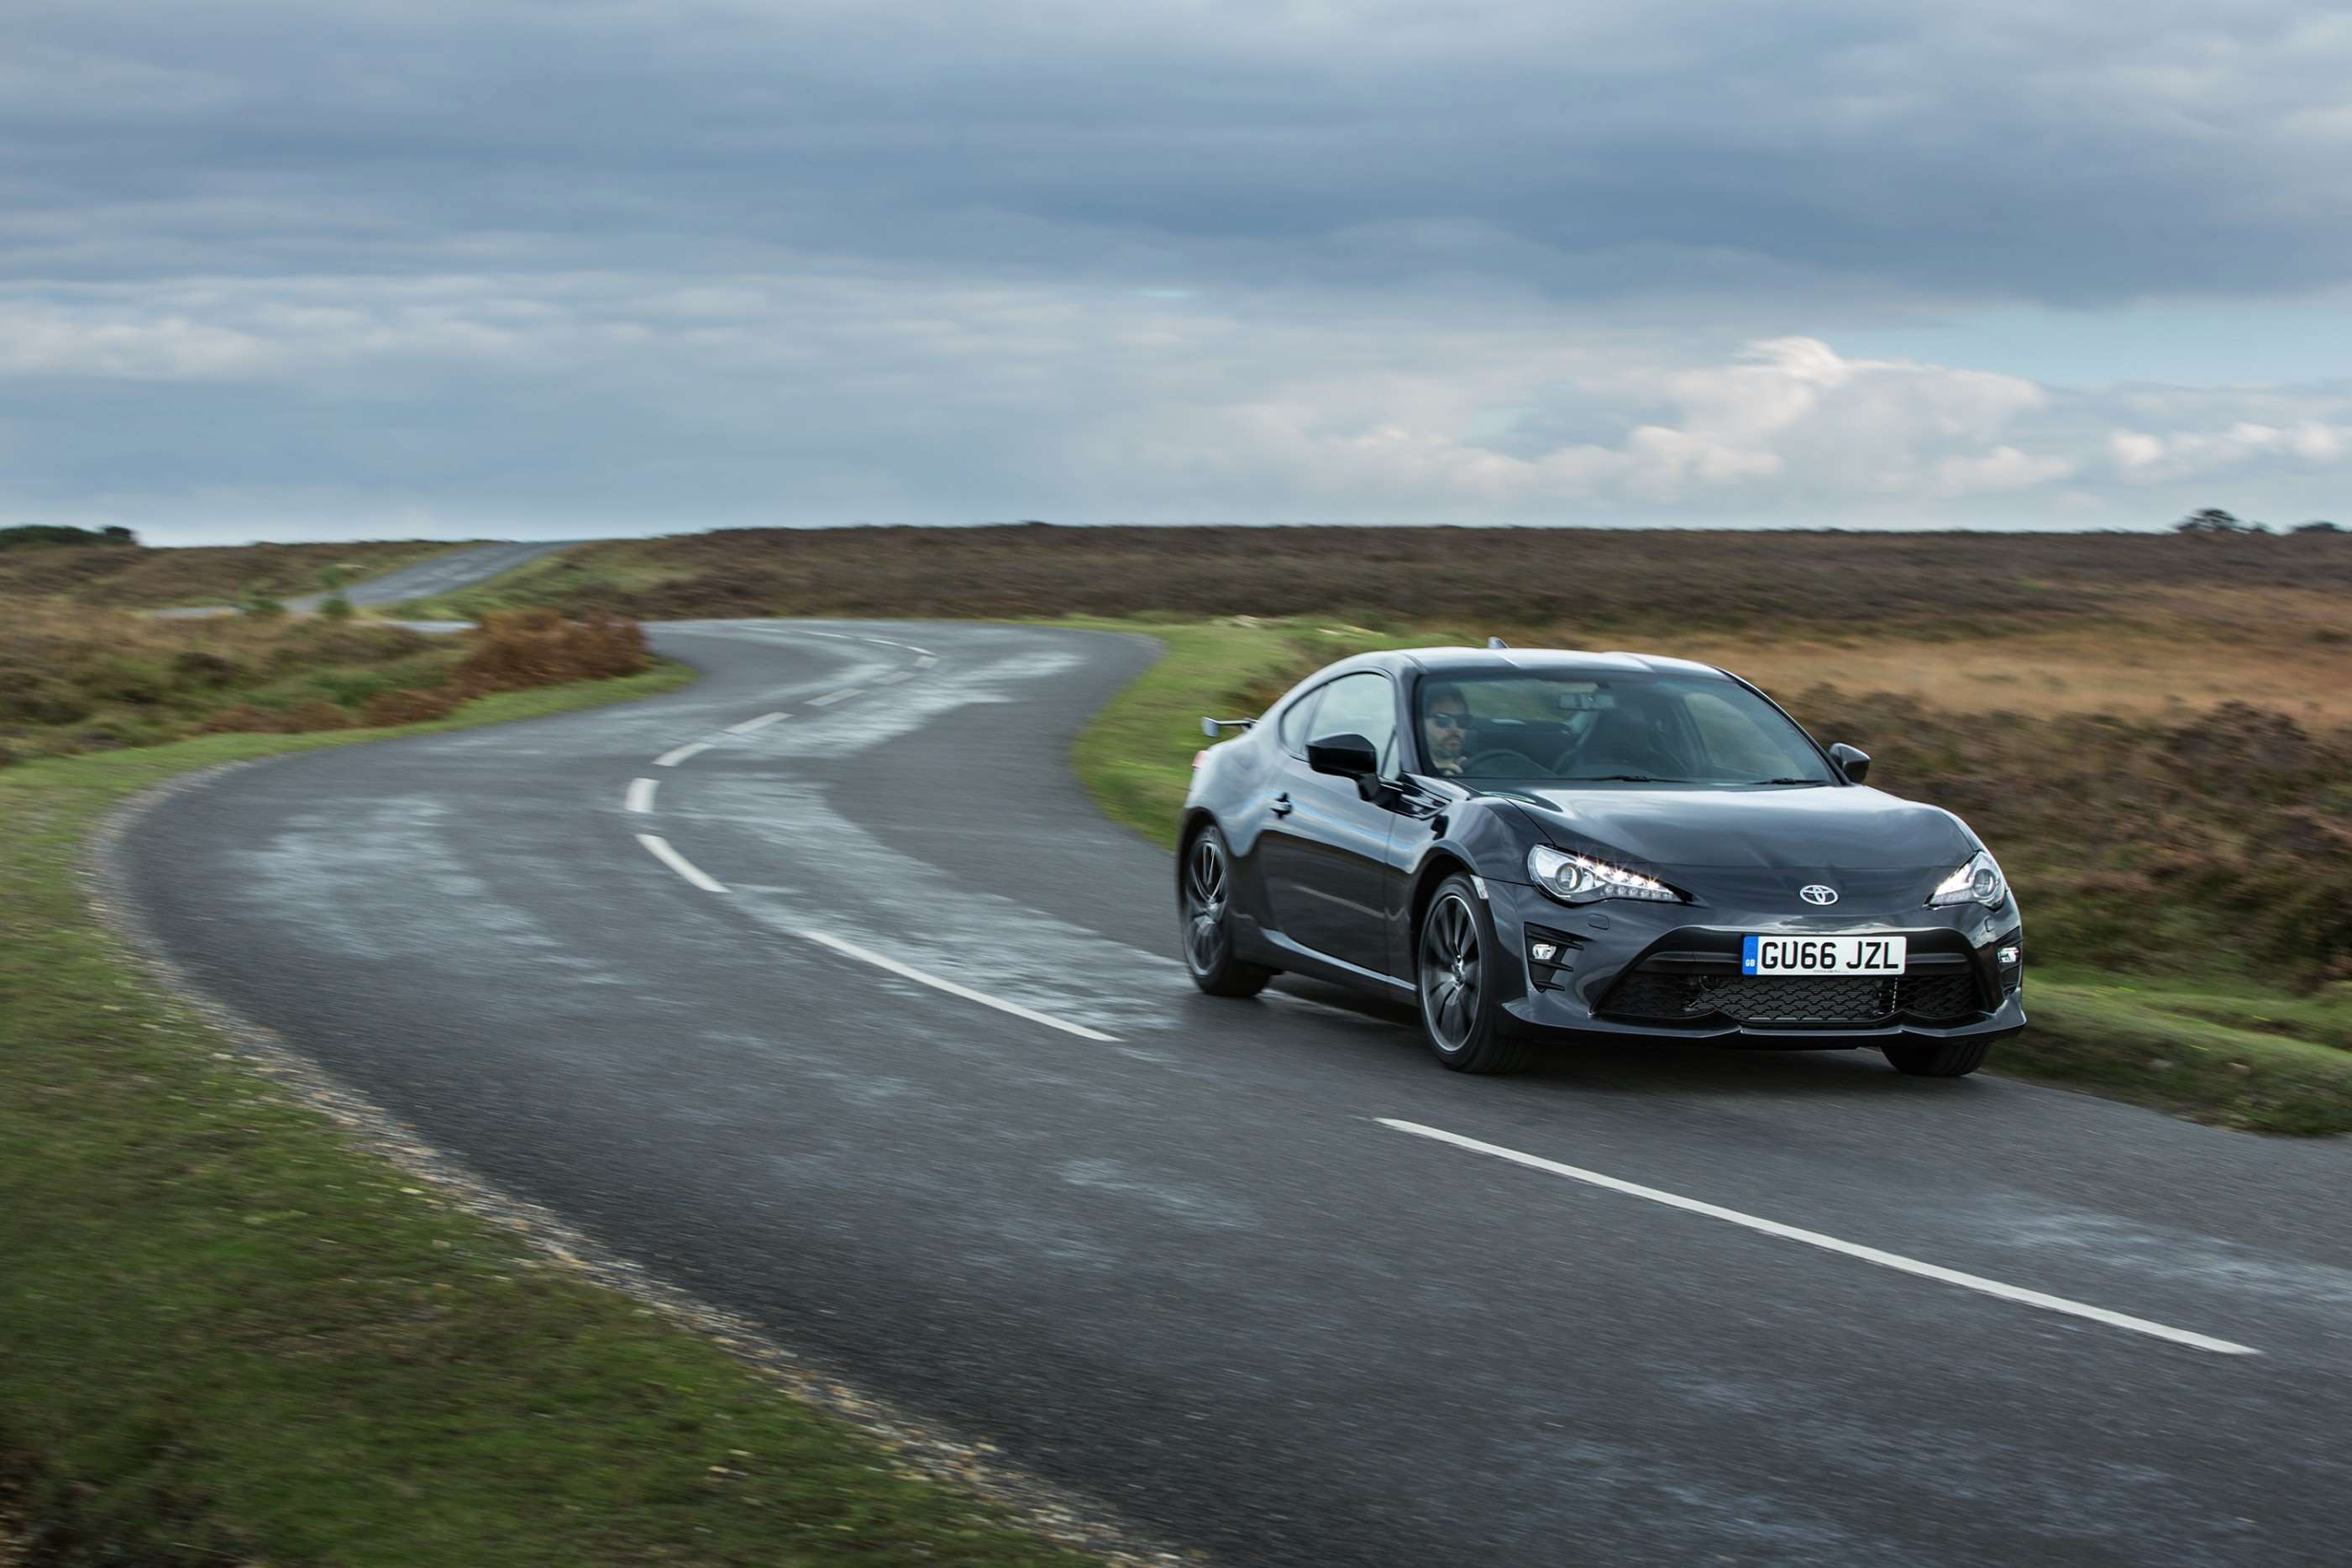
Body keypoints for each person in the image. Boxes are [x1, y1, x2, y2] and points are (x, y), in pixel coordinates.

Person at [1420, 681, 1470, 775]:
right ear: (1421, 724)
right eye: (1443, 720)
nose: (1454, 729)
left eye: (1462, 720)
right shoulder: (1408, 763)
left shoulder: (1479, 765)